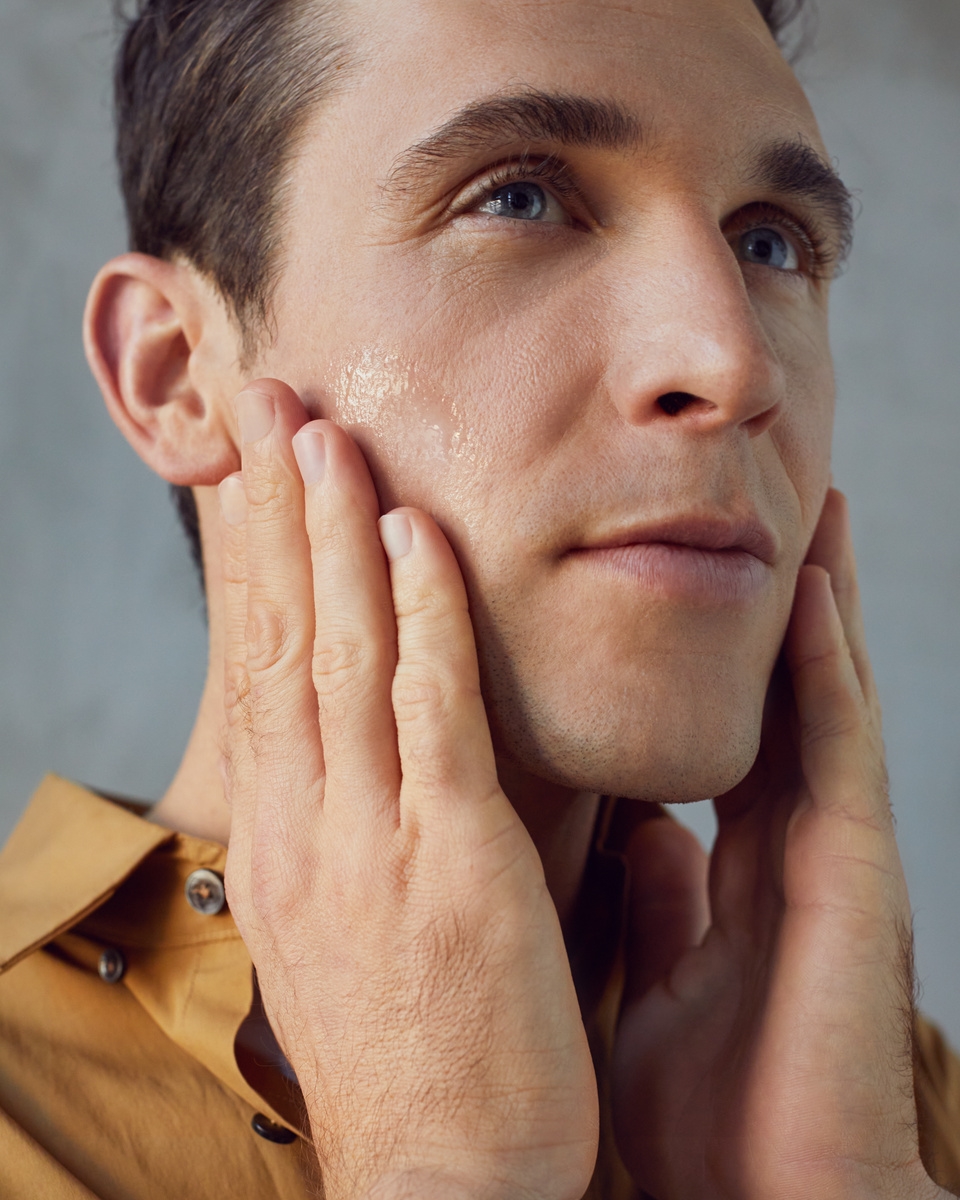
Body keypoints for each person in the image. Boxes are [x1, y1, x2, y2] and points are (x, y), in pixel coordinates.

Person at [2, 0, 960, 1196]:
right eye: (516, 197)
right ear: (178, 378)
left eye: (769, 242)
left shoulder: (901, 1114)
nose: (731, 362)